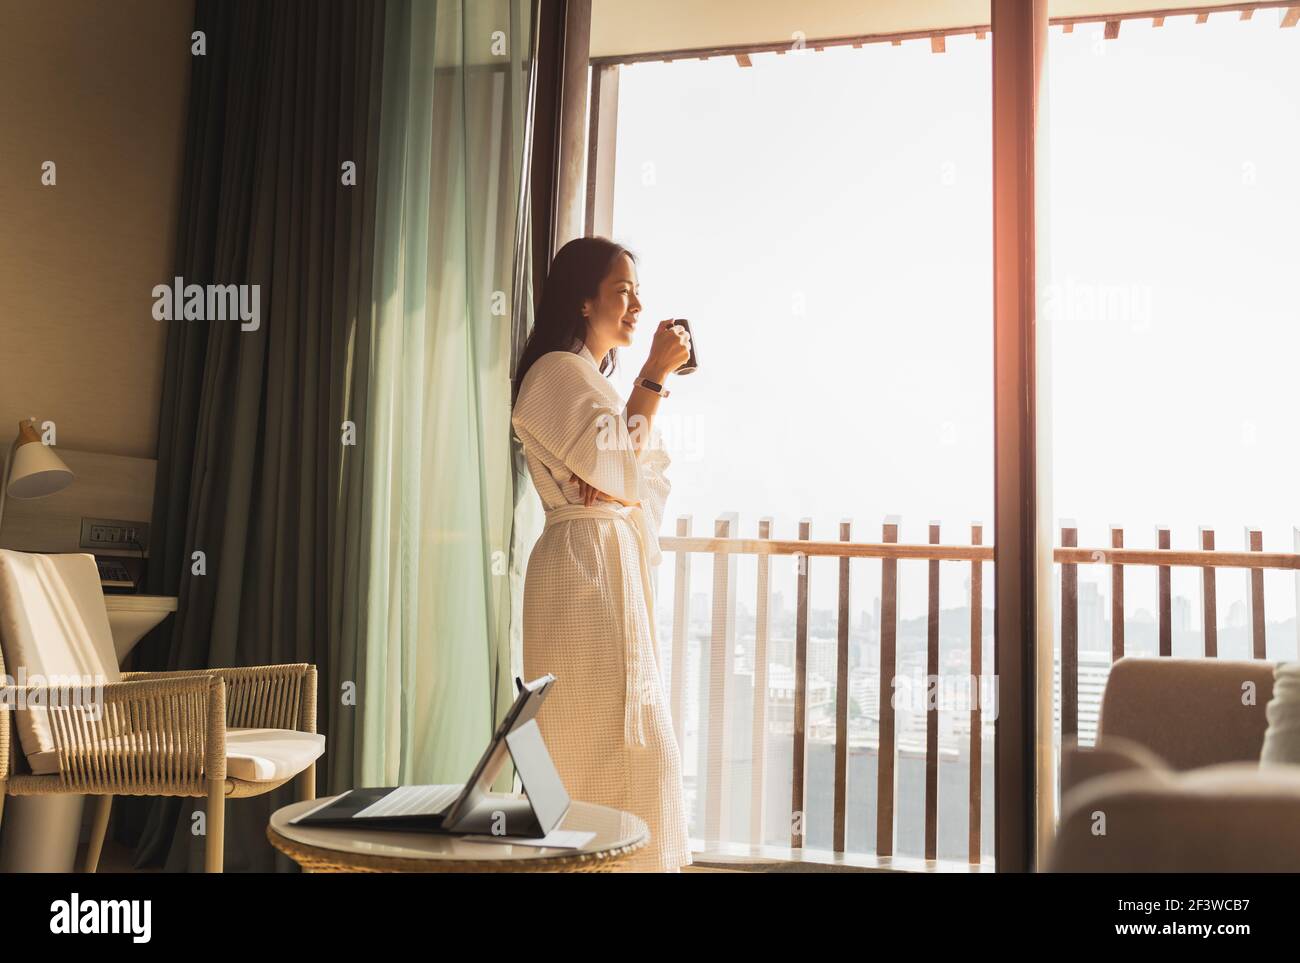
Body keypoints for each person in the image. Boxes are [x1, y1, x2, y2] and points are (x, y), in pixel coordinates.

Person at [510, 236, 692, 872]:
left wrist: (621, 471)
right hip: (581, 571)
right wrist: (653, 377)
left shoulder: (589, 383)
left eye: (639, 292)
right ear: (584, 300)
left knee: (637, 746)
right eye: (623, 291)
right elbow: (619, 467)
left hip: (607, 564)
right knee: (585, 743)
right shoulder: (555, 372)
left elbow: (629, 473)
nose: (638, 304)